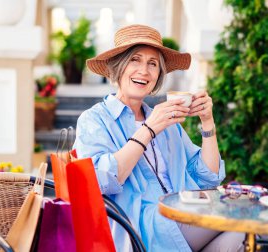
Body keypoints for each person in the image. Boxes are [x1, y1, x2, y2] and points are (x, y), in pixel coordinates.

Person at [74, 24, 245, 251]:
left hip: (181, 214)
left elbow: (209, 177)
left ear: (158, 75)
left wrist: (207, 123)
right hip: (140, 227)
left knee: (245, 236)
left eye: (152, 64)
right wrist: (148, 129)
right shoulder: (95, 119)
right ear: (118, 67)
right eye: (135, 60)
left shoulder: (165, 120)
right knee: (244, 217)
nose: (144, 71)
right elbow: (98, 181)